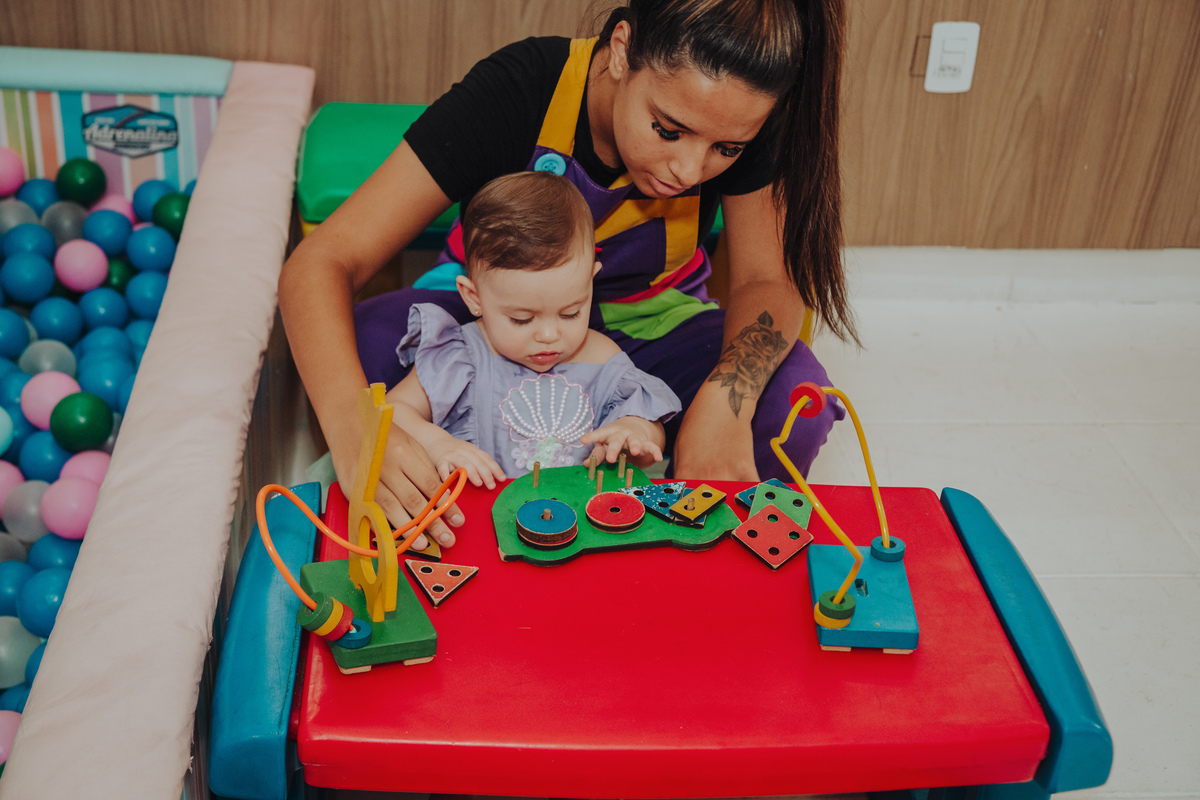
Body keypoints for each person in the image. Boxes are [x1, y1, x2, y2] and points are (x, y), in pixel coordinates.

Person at [278, 0, 857, 550]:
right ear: (623, 49)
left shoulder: (741, 109)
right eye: (668, 130)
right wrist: (357, 430)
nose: (688, 169)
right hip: (497, 326)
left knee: (792, 399)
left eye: (726, 148)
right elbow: (322, 261)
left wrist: (725, 404)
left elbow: (768, 283)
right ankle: (455, 521)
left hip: (651, 321)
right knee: (367, 342)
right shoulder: (519, 88)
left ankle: (672, 531)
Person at [386, 171, 680, 490]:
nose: (549, 335)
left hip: (580, 523)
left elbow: (649, 430)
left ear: (591, 281)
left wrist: (634, 434)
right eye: (522, 319)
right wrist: (436, 444)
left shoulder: (603, 360)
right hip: (478, 517)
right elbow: (392, 410)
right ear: (474, 297)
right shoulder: (462, 354)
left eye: (571, 313)